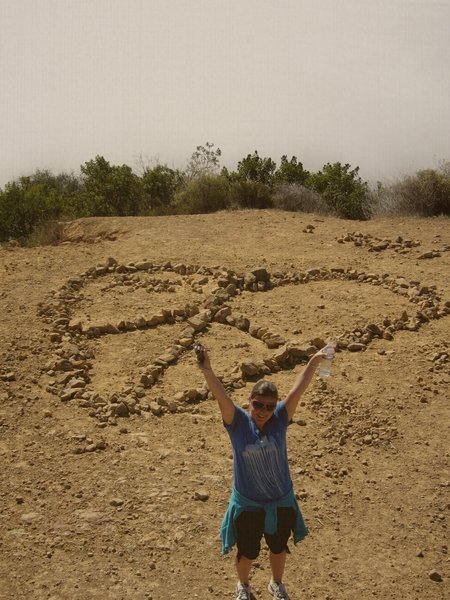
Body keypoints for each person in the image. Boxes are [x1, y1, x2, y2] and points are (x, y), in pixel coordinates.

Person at [196, 343, 334, 600]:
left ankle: (276, 583)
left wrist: (314, 361)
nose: (263, 412)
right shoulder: (236, 421)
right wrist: (207, 371)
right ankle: (243, 586)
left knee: (279, 546)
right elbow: (221, 396)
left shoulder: (281, 418)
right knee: (247, 550)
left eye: (270, 407)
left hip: (280, 499)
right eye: (258, 405)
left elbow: (298, 389)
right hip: (249, 504)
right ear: (249, 401)